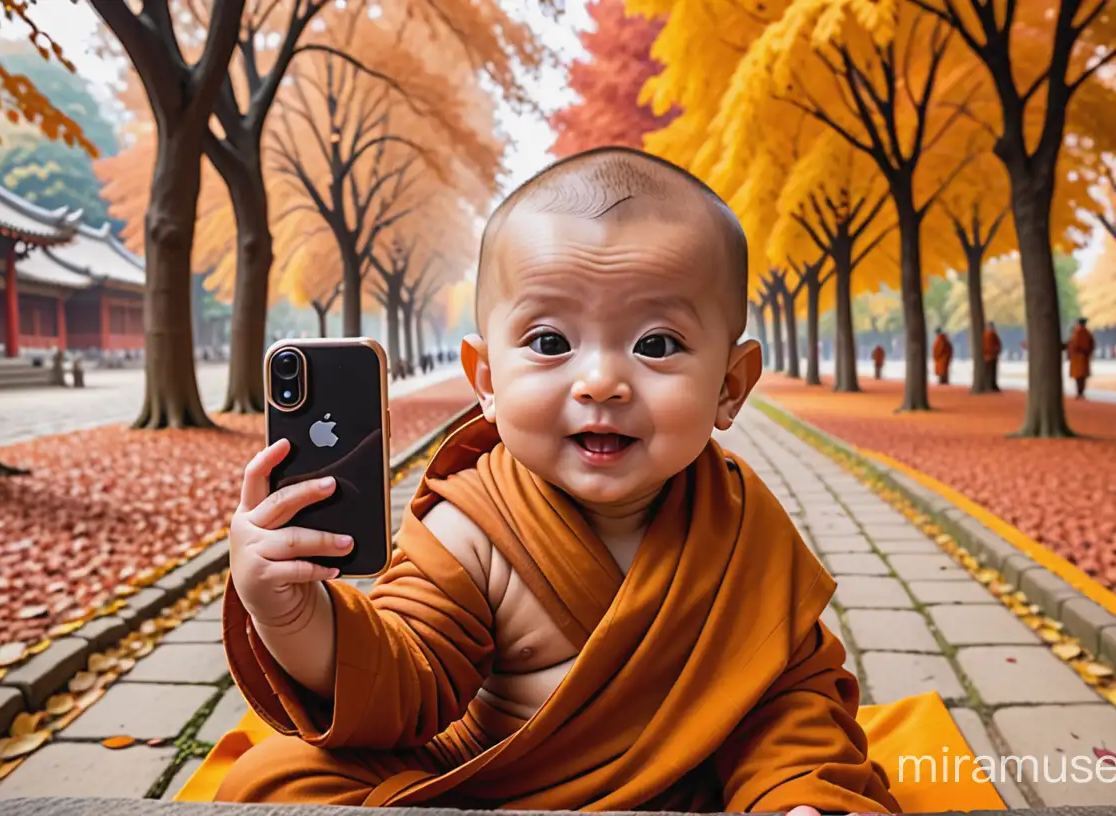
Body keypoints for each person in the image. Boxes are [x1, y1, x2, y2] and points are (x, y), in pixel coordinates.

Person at [211, 148, 997, 813]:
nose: (602, 381)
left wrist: (796, 791)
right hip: (491, 787)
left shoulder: (738, 520)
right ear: (485, 377)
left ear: (730, 386)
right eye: (550, 340)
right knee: (280, 778)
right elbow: (401, 682)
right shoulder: (472, 524)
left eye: (656, 345)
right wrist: (292, 614)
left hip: (679, 786)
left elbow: (787, 693)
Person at [1065, 318, 1095, 399]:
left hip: (1077, 358)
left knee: (1078, 377)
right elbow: (1092, 344)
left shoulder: (1077, 332)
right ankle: (1081, 391)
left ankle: (1079, 392)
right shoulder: (1088, 333)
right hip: (1084, 358)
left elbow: (1072, 344)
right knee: (1082, 376)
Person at [982, 322, 1002, 392]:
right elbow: (998, 345)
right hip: (992, 356)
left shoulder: (985, 335)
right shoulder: (992, 335)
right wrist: (996, 352)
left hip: (987, 356)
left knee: (989, 372)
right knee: (992, 372)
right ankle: (991, 385)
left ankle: (989, 385)